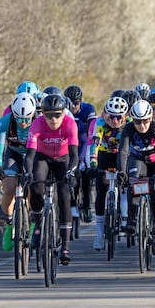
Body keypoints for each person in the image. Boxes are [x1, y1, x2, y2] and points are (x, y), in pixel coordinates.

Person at [24, 94, 79, 265]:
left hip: (63, 159)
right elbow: (29, 156)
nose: (53, 119)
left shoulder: (70, 124)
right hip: (43, 158)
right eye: (48, 115)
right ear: (43, 115)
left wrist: (71, 172)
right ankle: (38, 225)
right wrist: (28, 173)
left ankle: (65, 246)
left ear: (64, 114)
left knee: (64, 197)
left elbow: (74, 155)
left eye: (57, 115)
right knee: (36, 186)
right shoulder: (37, 124)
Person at [0, 93, 36, 245]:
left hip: (33, 155)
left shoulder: (39, 122)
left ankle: (32, 223)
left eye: (26, 119)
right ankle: (9, 225)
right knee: (9, 186)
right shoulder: (4, 122)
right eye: (19, 119)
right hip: (14, 154)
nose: (23, 123)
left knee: (33, 186)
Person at [117, 100, 155, 239]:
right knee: (134, 181)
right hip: (138, 159)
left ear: (150, 118)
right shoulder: (128, 128)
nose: (142, 125)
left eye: (145, 121)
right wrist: (122, 171)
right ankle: (132, 219)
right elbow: (123, 151)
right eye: (138, 122)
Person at [88, 96, 129, 250]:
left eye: (119, 117)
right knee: (101, 190)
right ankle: (99, 234)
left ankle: (124, 218)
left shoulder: (129, 124)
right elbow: (95, 142)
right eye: (111, 117)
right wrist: (93, 161)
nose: (115, 121)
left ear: (124, 116)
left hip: (122, 155)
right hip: (105, 156)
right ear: (106, 115)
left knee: (125, 185)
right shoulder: (100, 123)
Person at [65, 85, 97, 223]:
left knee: (85, 172)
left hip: (85, 143)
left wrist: (84, 159)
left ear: (81, 101)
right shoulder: (64, 111)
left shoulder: (88, 109)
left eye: (76, 103)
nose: (73, 106)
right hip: (68, 145)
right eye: (70, 103)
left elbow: (92, 131)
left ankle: (86, 205)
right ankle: (71, 203)